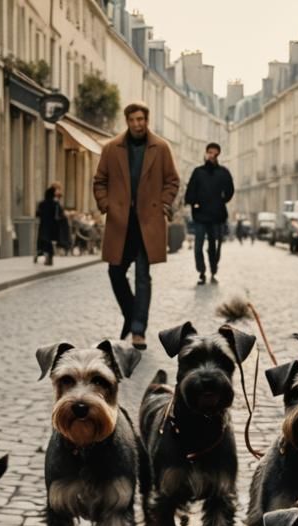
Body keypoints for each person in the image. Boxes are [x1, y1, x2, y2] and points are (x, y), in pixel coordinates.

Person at [93, 101, 180, 349]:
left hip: (148, 222)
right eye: (132, 120)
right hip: (121, 222)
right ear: (127, 121)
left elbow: (172, 181)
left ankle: (138, 330)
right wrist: (106, 204)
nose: (137, 124)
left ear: (147, 120)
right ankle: (131, 315)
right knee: (115, 272)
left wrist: (164, 203)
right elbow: (100, 181)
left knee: (143, 276)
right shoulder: (112, 148)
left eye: (140, 119)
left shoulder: (161, 148)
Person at [184, 142, 234, 285]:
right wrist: (194, 203)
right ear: (206, 153)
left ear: (218, 155)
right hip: (200, 215)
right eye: (210, 152)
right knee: (198, 246)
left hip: (216, 215)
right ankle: (201, 271)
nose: (212, 155)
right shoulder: (198, 172)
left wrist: (221, 201)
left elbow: (230, 190)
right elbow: (190, 191)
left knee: (214, 246)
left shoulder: (223, 172)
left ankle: (213, 268)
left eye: (215, 153)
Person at [35, 182, 64, 266]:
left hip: (44, 225)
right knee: (49, 242)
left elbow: (37, 214)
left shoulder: (42, 204)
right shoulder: (55, 204)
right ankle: (49, 257)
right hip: (52, 226)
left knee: (43, 241)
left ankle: (44, 256)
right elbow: (60, 214)